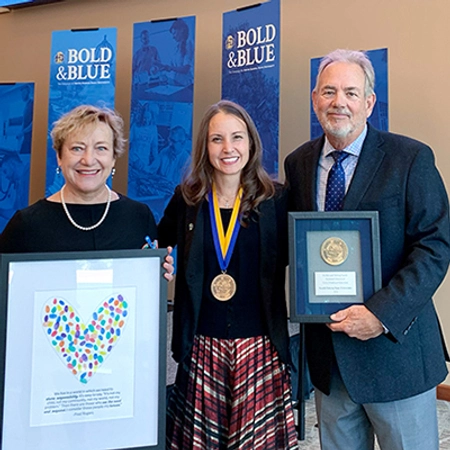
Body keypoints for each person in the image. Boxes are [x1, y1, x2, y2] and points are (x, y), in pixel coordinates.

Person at [284, 49, 450, 450]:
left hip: (397, 355)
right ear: (314, 99)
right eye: (329, 91)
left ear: (369, 102)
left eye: (351, 92)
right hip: (330, 360)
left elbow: (435, 245)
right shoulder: (299, 164)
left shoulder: (410, 158)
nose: (338, 102)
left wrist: (380, 314)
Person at [158, 100, 298, 449]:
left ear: (251, 144)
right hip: (202, 344)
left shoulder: (275, 199)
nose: (228, 148)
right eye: (216, 139)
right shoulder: (188, 199)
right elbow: (157, 246)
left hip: (260, 346)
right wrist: (160, 263)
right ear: (205, 147)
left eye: (237, 137)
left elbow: (304, 256)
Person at [0, 105, 173, 280]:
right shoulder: (27, 225)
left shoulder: (139, 217)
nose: (89, 160)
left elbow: (144, 285)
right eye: (77, 148)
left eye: (101, 148)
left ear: (113, 158)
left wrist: (158, 277)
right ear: (59, 157)